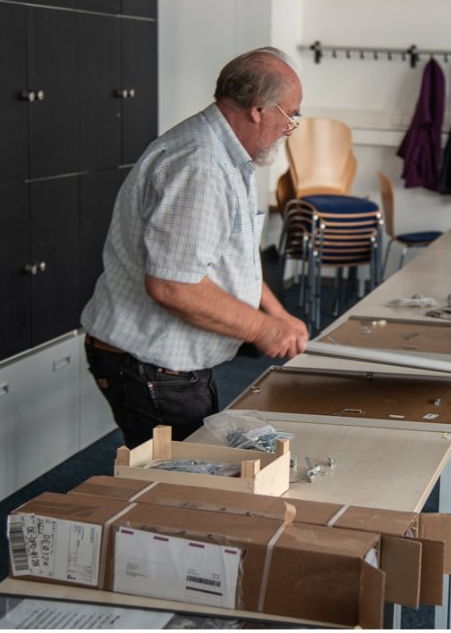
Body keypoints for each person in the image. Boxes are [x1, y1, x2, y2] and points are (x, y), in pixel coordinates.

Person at [81, 47, 309, 449]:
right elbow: (173, 286)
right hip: (151, 364)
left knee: (195, 466)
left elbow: (225, 262)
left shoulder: (228, 155)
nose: (289, 129)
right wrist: (262, 328)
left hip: (167, 361)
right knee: (179, 476)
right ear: (258, 109)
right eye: (290, 116)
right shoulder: (200, 167)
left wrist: (276, 314)